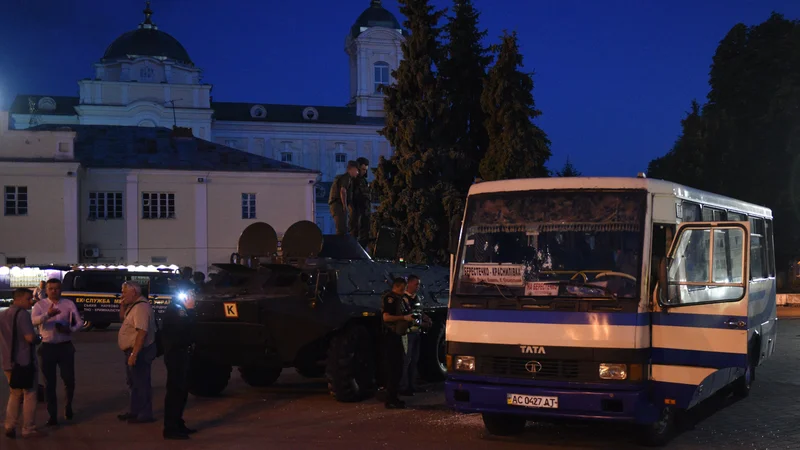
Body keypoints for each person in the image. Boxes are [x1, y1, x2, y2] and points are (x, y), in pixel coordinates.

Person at [30, 278, 81, 426]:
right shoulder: (40, 305)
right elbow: (33, 321)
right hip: (47, 347)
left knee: (69, 380)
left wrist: (69, 329)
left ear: (61, 289)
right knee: (49, 383)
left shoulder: (68, 304)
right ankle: (52, 414)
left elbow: (79, 322)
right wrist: (48, 315)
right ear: (46, 290)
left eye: (57, 288)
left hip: (65, 345)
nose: (54, 291)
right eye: (51, 288)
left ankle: (68, 406)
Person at [1, 288, 43, 439]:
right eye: (28, 298)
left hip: (7, 362)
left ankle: (9, 425)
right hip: (24, 362)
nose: (30, 301)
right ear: (17, 299)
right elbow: (30, 338)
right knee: (30, 394)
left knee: (14, 394)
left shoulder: (3, 314)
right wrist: (39, 338)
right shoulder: (23, 315)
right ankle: (28, 427)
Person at [117, 281, 157, 424]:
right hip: (133, 351)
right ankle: (134, 411)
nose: (122, 295)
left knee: (141, 383)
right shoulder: (133, 306)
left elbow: (142, 332)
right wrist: (123, 304)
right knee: (133, 383)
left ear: (134, 292)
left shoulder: (141, 308)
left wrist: (134, 354)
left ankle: (144, 414)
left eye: (124, 292)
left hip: (140, 351)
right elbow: (122, 318)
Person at [161, 285, 198, 439]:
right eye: (191, 294)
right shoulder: (177, 310)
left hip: (181, 354)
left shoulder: (178, 309)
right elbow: (184, 329)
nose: (194, 297)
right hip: (176, 355)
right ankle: (171, 428)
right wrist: (190, 310)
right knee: (175, 391)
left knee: (181, 391)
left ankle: (178, 423)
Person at [381, 277, 414, 409]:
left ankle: (394, 396)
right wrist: (403, 318)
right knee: (394, 368)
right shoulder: (390, 298)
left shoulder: (400, 299)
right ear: (400, 286)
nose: (405, 290)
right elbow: (386, 317)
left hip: (398, 335)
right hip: (391, 336)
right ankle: (390, 399)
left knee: (398, 367)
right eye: (404, 287)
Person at [399, 275, 431, 396]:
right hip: (408, 334)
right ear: (410, 284)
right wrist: (421, 323)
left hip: (416, 333)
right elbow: (407, 317)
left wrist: (426, 319)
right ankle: (404, 386)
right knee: (406, 361)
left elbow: (419, 312)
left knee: (414, 361)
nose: (418, 287)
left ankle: (412, 385)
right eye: (416, 284)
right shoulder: (403, 299)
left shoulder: (416, 298)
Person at [329, 160, 359, 235]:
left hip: (336, 205)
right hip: (338, 205)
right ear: (352, 169)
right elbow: (343, 191)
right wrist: (344, 205)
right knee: (341, 230)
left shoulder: (345, 178)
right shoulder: (346, 178)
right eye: (357, 170)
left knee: (342, 229)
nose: (357, 173)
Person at [349, 157, 371, 247]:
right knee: (355, 232)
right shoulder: (353, 181)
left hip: (365, 211)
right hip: (357, 211)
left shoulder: (364, 181)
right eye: (362, 169)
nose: (364, 172)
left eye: (365, 169)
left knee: (364, 233)